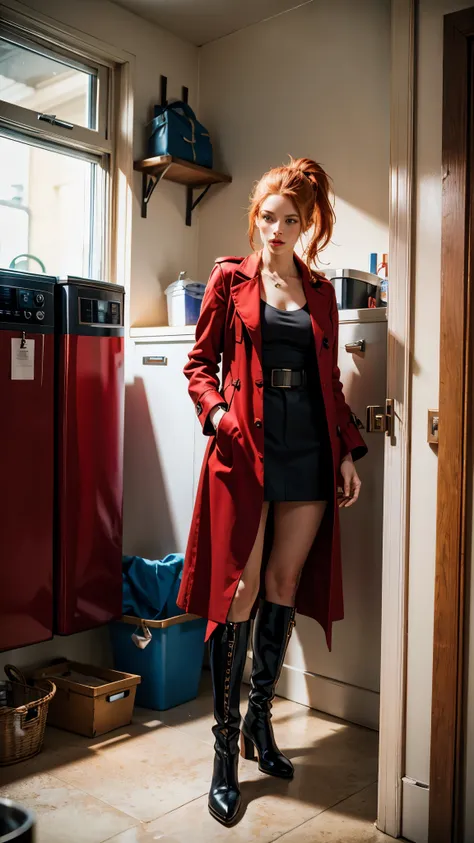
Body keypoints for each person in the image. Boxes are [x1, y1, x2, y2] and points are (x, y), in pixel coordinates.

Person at [176, 157, 368, 826]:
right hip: (246, 451)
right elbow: (199, 366)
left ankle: (260, 723)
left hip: (310, 452)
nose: (276, 229)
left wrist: (346, 453)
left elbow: (331, 385)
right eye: (267, 216)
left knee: (284, 585)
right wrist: (218, 417)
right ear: (254, 217)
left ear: (308, 225)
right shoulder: (230, 279)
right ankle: (225, 750)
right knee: (238, 591)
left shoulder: (319, 293)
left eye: (291, 219)